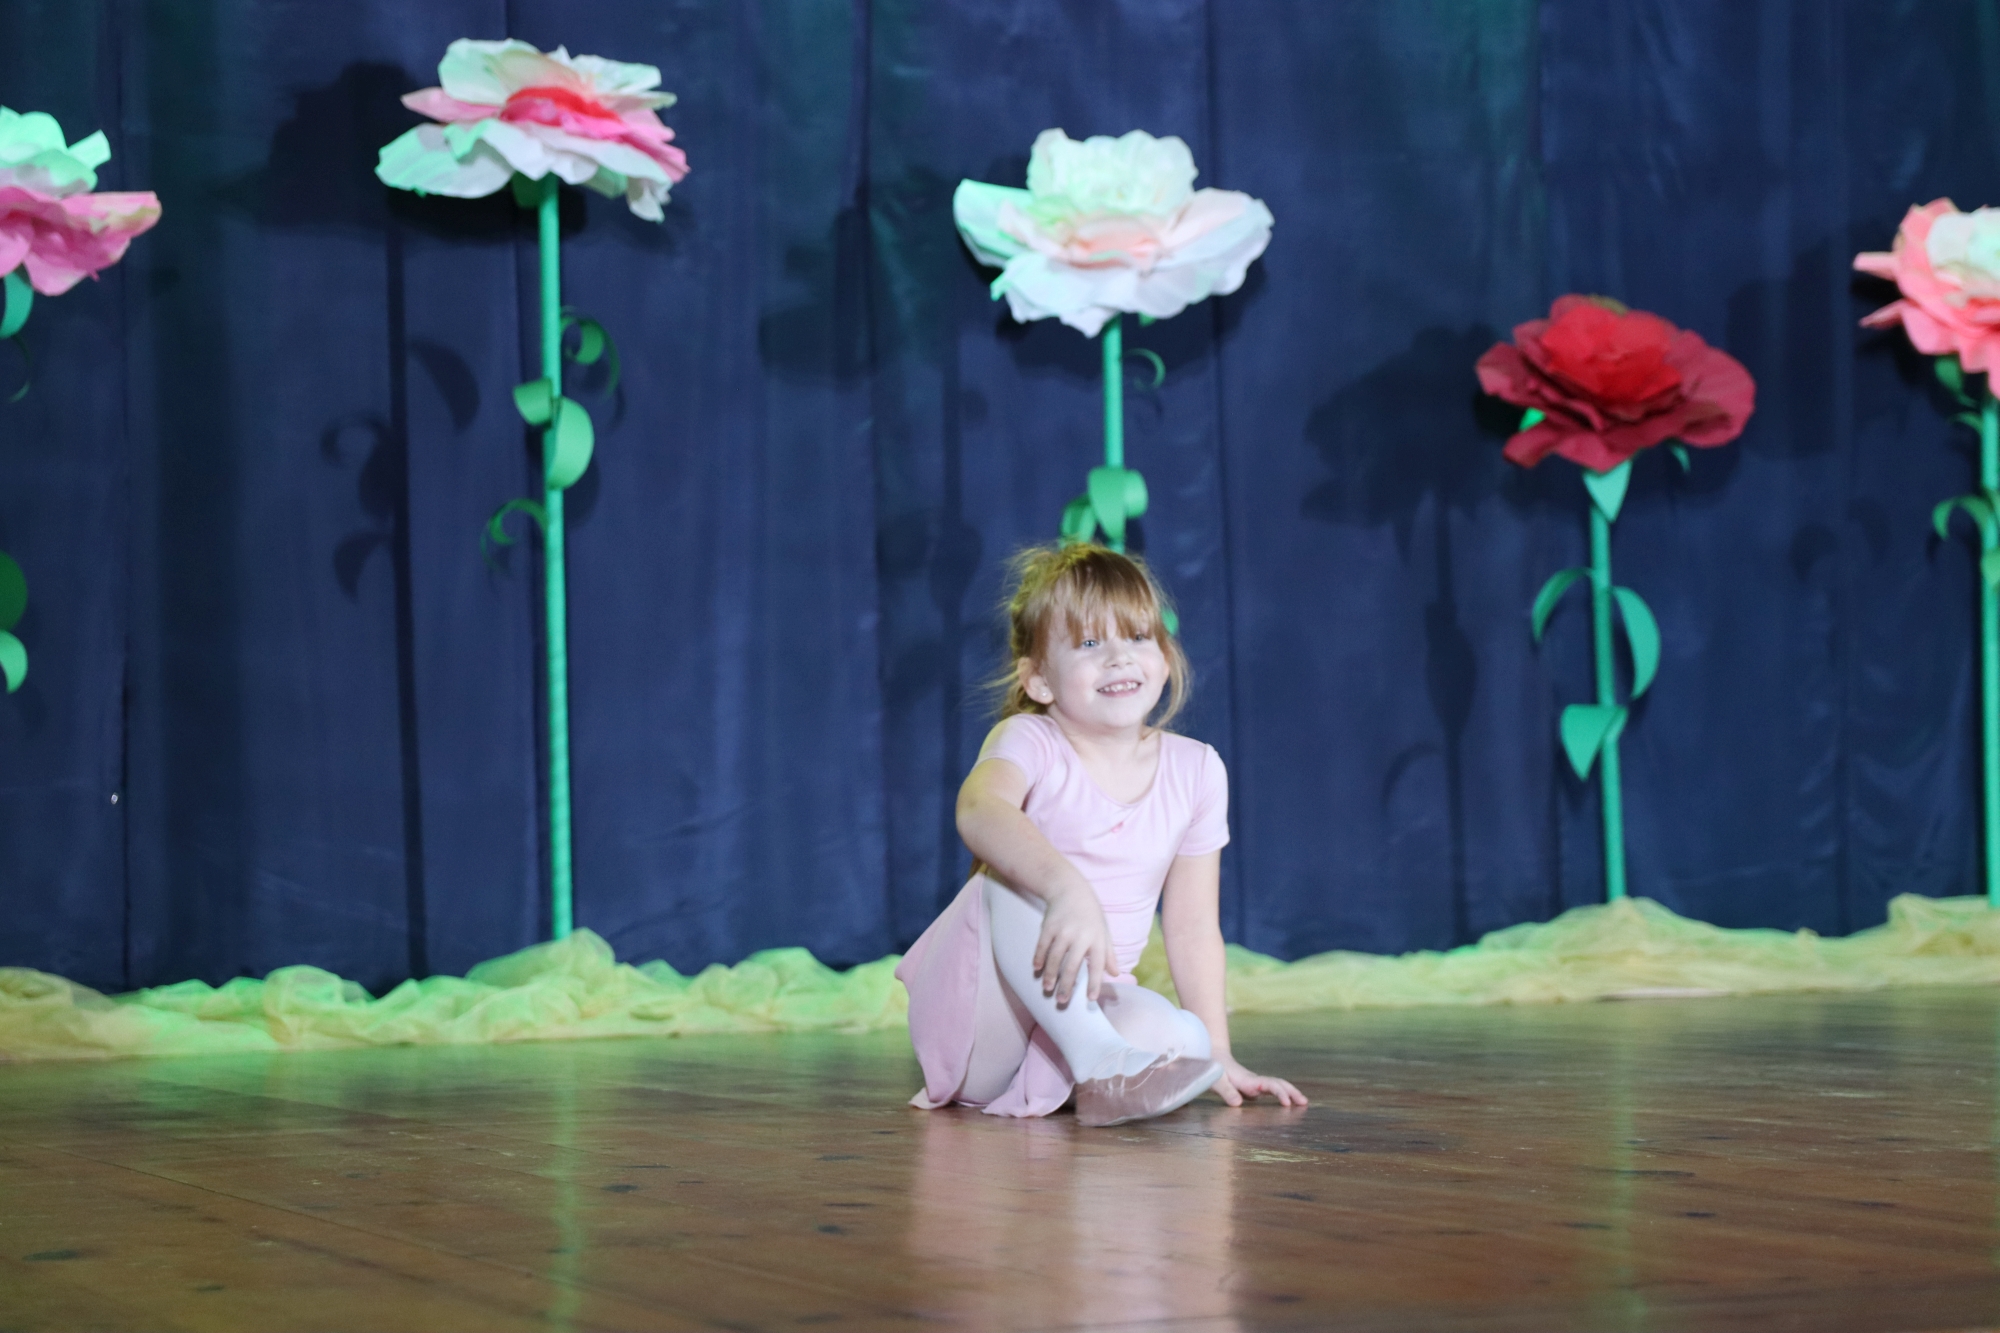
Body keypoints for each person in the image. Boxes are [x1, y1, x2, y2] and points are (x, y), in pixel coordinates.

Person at [897, 543, 1307, 1126]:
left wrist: (1219, 1050)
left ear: (1165, 657)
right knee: (1008, 883)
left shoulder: (1197, 770)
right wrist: (1066, 888)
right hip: (981, 1029)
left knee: (1185, 1038)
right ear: (1039, 680)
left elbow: (1192, 927)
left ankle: (1092, 1071)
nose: (1119, 657)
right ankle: (1097, 1059)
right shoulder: (1028, 739)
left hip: (1080, 1007)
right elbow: (979, 808)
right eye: (1090, 643)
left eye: (1138, 637)